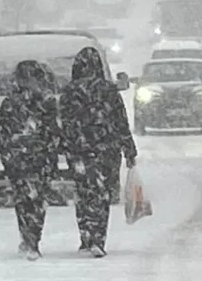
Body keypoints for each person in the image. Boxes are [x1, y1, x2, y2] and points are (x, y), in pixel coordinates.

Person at [60, 46, 138, 258]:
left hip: (79, 151)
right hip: (107, 150)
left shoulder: (69, 91)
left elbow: (63, 123)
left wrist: (64, 146)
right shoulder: (108, 90)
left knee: (84, 192)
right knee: (101, 195)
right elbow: (120, 120)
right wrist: (129, 149)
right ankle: (98, 237)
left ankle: (86, 235)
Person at [0, 60, 61, 261]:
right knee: (35, 201)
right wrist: (49, 150)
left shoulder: (11, 102)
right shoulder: (45, 102)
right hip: (37, 161)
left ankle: (29, 238)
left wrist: (9, 151)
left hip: (21, 161)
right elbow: (55, 131)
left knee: (25, 201)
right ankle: (32, 238)